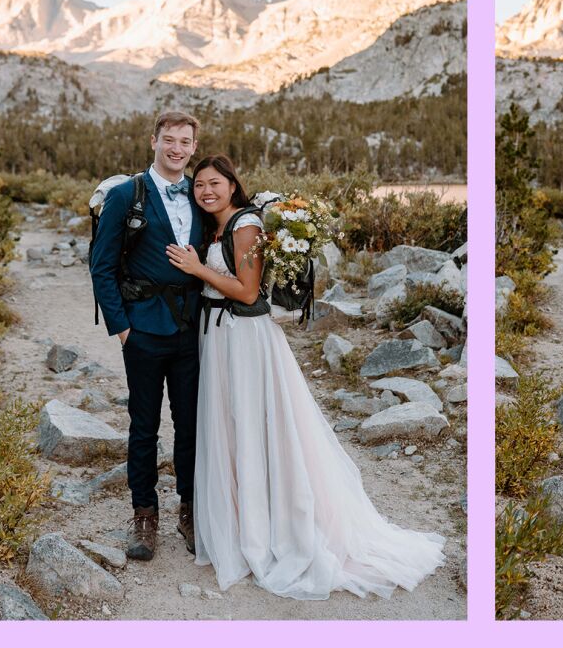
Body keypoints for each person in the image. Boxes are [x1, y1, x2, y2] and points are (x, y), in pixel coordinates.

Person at [165, 155, 446, 598]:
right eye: (199, 184)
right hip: (216, 337)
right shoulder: (215, 227)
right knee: (230, 428)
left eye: (214, 183)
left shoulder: (245, 225)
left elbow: (248, 290)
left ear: (232, 185)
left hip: (244, 338)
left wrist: (196, 268)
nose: (206, 191)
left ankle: (273, 528)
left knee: (258, 426)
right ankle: (240, 524)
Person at [90, 111, 204, 561]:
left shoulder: (200, 193)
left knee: (192, 425)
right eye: (169, 139)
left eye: (185, 141)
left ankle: (191, 511)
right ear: (153, 141)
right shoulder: (125, 195)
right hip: (141, 329)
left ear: (194, 147)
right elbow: (101, 266)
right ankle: (144, 515)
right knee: (143, 426)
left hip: (193, 329)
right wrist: (121, 328)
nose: (177, 148)